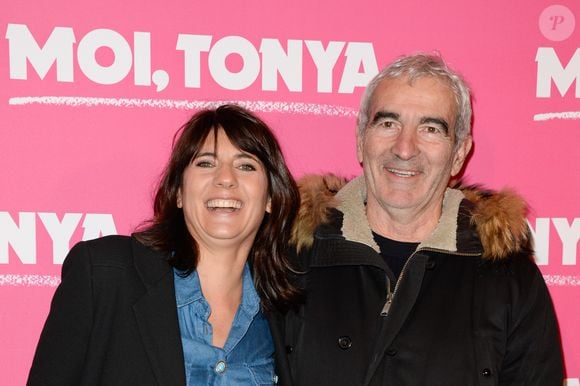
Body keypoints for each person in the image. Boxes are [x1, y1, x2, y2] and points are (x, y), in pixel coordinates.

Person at [276, 54, 564, 385]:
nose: (404, 148)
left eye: (430, 128)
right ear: (360, 141)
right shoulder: (290, 258)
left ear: (458, 154)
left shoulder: (509, 277)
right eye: (388, 123)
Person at [27, 104, 300, 386]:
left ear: (270, 198)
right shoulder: (103, 275)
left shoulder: (287, 317)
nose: (226, 179)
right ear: (179, 192)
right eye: (206, 163)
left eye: (246, 165)